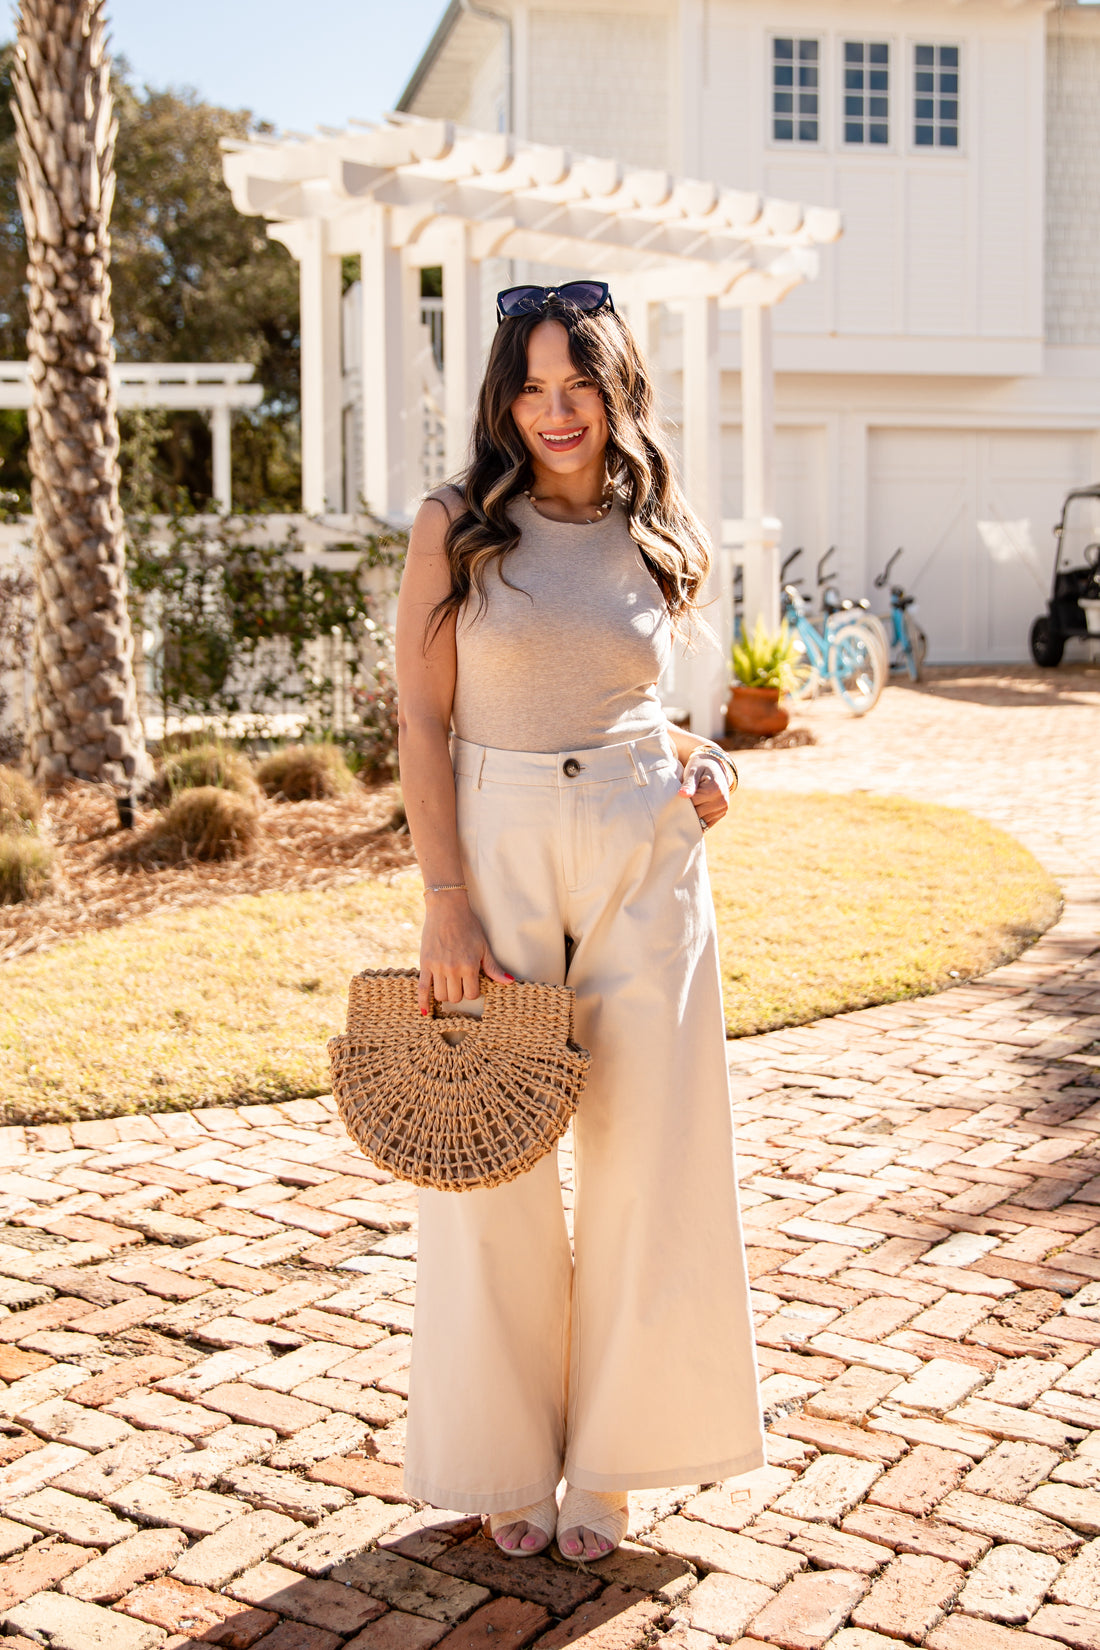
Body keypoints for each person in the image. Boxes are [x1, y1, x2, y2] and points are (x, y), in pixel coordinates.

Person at [394, 281, 763, 1565]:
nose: (556, 413)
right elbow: (419, 724)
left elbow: (633, 704)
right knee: (488, 1162)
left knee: (646, 1157)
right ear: (502, 399)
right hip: (492, 856)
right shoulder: (453, 527)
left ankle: (614, 1460)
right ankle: (500, 1455)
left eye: (578, 385)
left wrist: (700, 761)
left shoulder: (655, 530)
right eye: (531, 388)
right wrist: (443, 900)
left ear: (614, 391)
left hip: (642, 852)